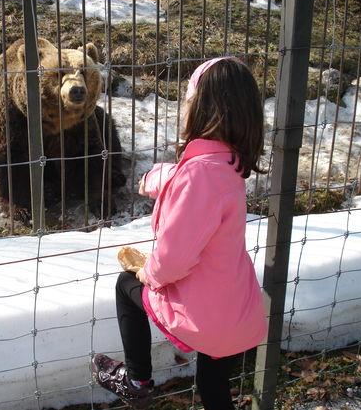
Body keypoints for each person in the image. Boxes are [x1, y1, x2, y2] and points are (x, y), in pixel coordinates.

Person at [91, 57, 269, 410]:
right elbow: (193, 184)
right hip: (234, 308)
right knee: (214, 387)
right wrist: (158, 177)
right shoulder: (227, 164)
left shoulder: (198, 176)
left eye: (187, 100)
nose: (184, 108)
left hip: (203, 312)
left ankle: (136, 380)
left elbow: (174, 259)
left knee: (126, 287)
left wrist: (148, 273)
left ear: (203, 110)